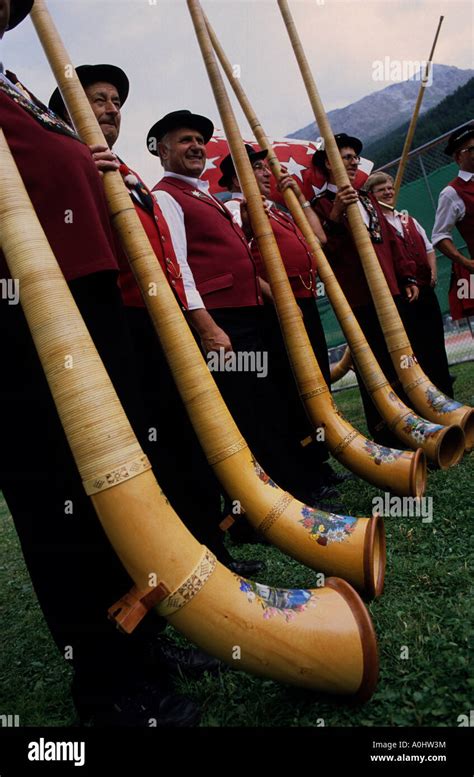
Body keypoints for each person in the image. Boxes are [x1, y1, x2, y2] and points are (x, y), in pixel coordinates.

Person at [0, 4, 216, 727]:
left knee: (128, 480)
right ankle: (107, 683)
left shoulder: (14, 84)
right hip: (24, 313)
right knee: (65, 494)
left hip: (88, 299)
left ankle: (151, 639)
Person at [49, 65, 264, 573]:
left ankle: (213, 545)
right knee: (155, 442)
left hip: (161, 322)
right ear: (65, 108)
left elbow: (169, 258)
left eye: (116, 102)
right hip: (119, 325)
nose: (111, 108)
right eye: (98, 99)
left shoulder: (123, 170)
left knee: (185, 431)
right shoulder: (69, 161)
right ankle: (180, 555)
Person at [148, 111, 343, 503]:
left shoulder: (202, 195)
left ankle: (293, 483)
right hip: (223, 322)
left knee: (266, 402)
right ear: (162, 150)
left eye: (200, 141)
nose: (196, 147)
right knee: (246, 410)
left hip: (248, 316)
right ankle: (260, 502)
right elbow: (176, 266)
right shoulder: (165, 196)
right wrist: (206, 327)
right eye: (185, 140)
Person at [219, 144, 352, 492]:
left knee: (316, 380)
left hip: (305, 301)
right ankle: (306, 469)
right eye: (257, 168)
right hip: (279, 308)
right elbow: (240, 259)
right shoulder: (236, 208)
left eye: (265, 167)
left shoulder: (275, 208)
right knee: (294, 388)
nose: (266, 173)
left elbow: (319, 238)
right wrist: (276, 297)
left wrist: (298, 197)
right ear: (237, 177)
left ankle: (320, 462)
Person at [311, 133, 419, 446]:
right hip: (360, 299)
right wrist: (334, 216)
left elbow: (390, 240)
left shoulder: (368, 198)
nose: (354, 161)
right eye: (345, 156)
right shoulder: (319, 205)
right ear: (329, 164)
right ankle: (385, 429)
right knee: (374, 364)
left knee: (403, 357)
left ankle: (412, 418)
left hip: (391, 292)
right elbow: (322, 254)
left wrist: (407, 277)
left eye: (355, 156)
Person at [365, 171, 453, 397]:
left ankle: (445, 388)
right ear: (371, 195)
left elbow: (428, 247)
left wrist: (433, 269)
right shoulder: (376, 224)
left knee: (435, 342)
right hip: (402, 295)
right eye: (382, 189)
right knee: (416, 347)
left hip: (425, 289)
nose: (388, 192)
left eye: (390, 188)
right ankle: (425, 394)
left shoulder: (406, 218)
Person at [432, 124, 474, 322]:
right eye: (472, 149)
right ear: (458, 157)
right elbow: (439, 236)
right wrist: (465, 262)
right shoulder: (451, 193)